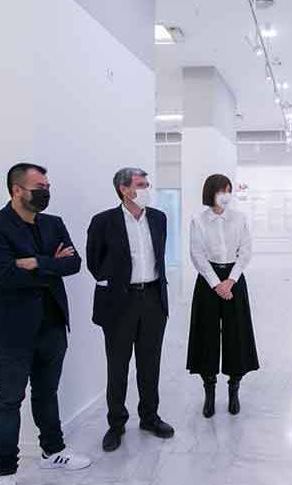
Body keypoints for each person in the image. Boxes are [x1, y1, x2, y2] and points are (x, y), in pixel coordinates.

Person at [0, 163, 91, 485]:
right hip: (10, 329)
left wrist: (36, 262)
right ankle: (5, 474)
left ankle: (53, 452)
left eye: (48, 185)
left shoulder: (53, 223)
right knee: (9, 400)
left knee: (47, 392)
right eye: (39, 185)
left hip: (52, 323)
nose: (46, 191)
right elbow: (4, 275)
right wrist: (49, 264)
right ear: (17, 190)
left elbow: (73, 264)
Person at [86, 167, 174, 453]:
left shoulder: (159, 218)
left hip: (152, 298)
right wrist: (114, 283)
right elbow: (94, 262)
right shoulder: (103, 221)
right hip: (119, 302)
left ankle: (149, 417)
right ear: (124, 189)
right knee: (118, 366)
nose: (147, 188)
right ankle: (116, 423)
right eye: (141, 183)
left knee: (150, 364)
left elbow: (160, 256)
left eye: (147, 183)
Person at [187, 174, 259, 418]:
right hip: (208, 281)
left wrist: (230, 280)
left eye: (229, 190)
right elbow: (196, 254)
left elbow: (246, 251)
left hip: (234, 280)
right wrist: (216, 284)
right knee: (206, 335)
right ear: (211, 192)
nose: (226, 194)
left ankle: (234, 388)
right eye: (222, 190)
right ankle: (209, 393)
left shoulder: (240, 219)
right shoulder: (198, 220)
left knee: (236, 334)